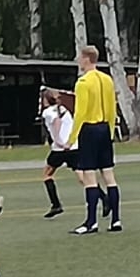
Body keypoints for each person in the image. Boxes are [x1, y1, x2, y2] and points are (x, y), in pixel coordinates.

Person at [66, 45, 123, 234]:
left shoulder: (83, 82)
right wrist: (111, 131)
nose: (78, 61)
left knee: (89, 177)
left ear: (86, 59)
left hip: (89, 130)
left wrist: (71, 138)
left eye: (80, 57)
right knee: (109, 176)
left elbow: (80, 113)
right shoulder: (107, 80)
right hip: (104, 128)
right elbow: (112, 108)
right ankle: (116, 220)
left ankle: (91, 222)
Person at [39, 88, 81, 219]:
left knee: (47, 174)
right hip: (73, 147)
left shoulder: (48, 112)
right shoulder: (63, 108)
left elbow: (56, 121)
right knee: (83, 177)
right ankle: (104, 198)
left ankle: (56, 204)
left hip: (60, 149)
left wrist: (57, 140)